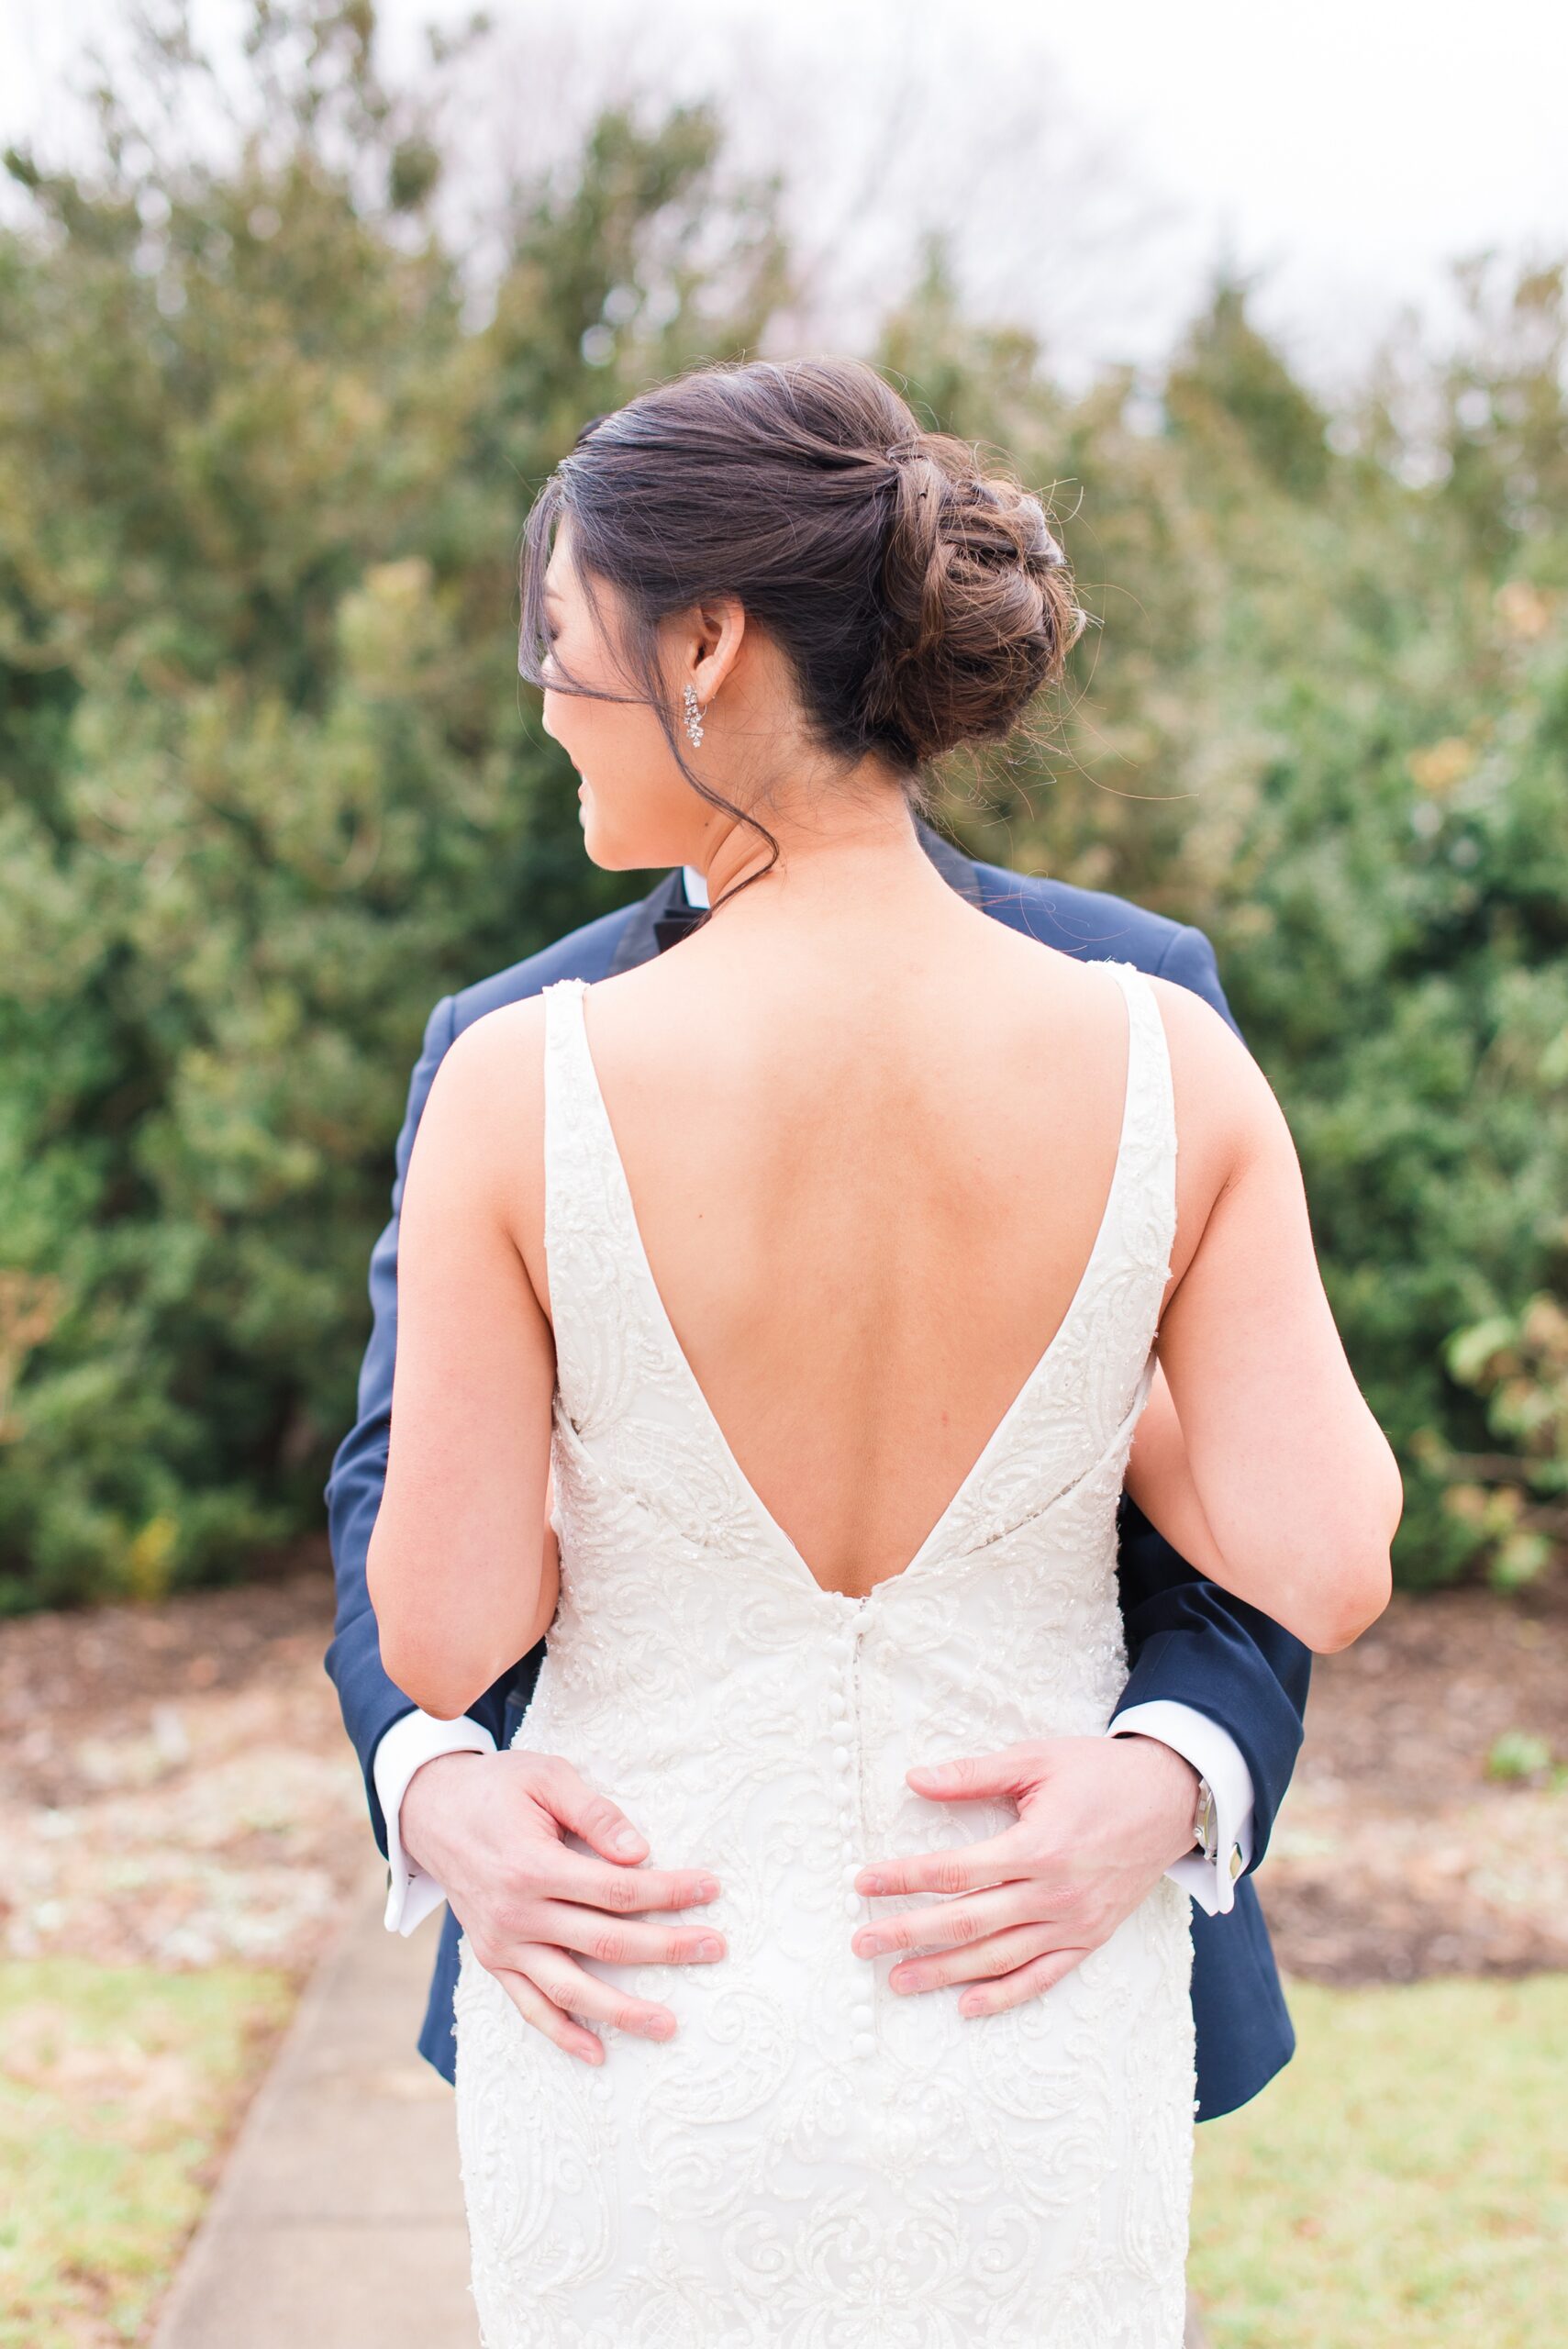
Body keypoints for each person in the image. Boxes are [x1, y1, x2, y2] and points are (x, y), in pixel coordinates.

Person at [328, 354, 1399, 2344]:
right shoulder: (1165, 1061)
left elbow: (451, 1620)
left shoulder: (521, 1082)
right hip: (1021, 2027)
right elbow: (1329, 1552)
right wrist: (1086, 1356)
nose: (546, 708)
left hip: (650, 2002)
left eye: (566, 653)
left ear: (708, 645)